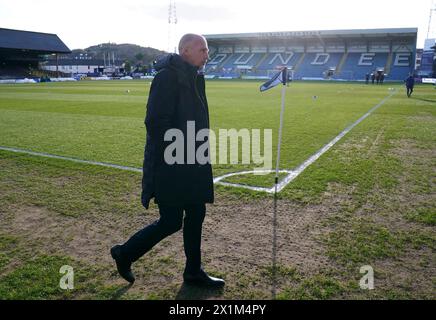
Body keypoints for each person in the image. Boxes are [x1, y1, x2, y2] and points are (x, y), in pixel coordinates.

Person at [110, 34, 225, 288]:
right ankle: (124, 254)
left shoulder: (195, 76)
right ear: (185, 51)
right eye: (202, 49)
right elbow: (155, 123)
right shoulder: (167, 77)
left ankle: (193, 272)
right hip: (172, 164)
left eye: (207, 50)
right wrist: (181, 149)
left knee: (196, 212)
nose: (207, 54)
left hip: (193, 160)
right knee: (172, 220)